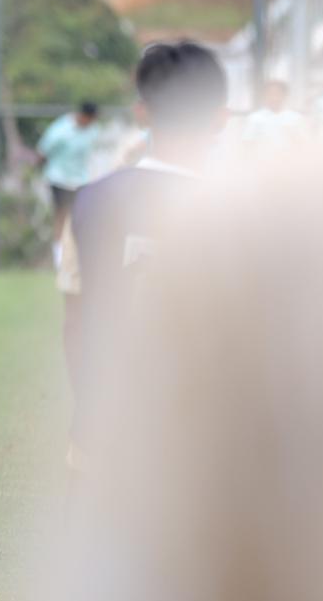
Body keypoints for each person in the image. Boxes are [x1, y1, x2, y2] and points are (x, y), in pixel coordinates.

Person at [67, 41, 228, 471]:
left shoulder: (88, 203)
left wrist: (89, 420)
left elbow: (75, 323)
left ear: (141, 112)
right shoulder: (243, 212)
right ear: (220, 118)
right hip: (207, 442)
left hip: (109, 428)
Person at [38, 102, 101, 264]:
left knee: (80, 218)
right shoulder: (61, 129)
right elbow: (43, 152)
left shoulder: (93, 131)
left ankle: (76, 256)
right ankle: (59, 258)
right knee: (62, 216)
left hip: (80, 179)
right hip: (59, 178)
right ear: (83, 116)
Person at [240, 79, 306, 155]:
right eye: (270, 94)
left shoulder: (296, 118)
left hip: (289, 162)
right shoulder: (254, 118)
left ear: (285, 95)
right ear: (264, 96)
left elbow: (302, 143)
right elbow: (247, 143)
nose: (274, 97)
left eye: (278, 93)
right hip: (262, 163)